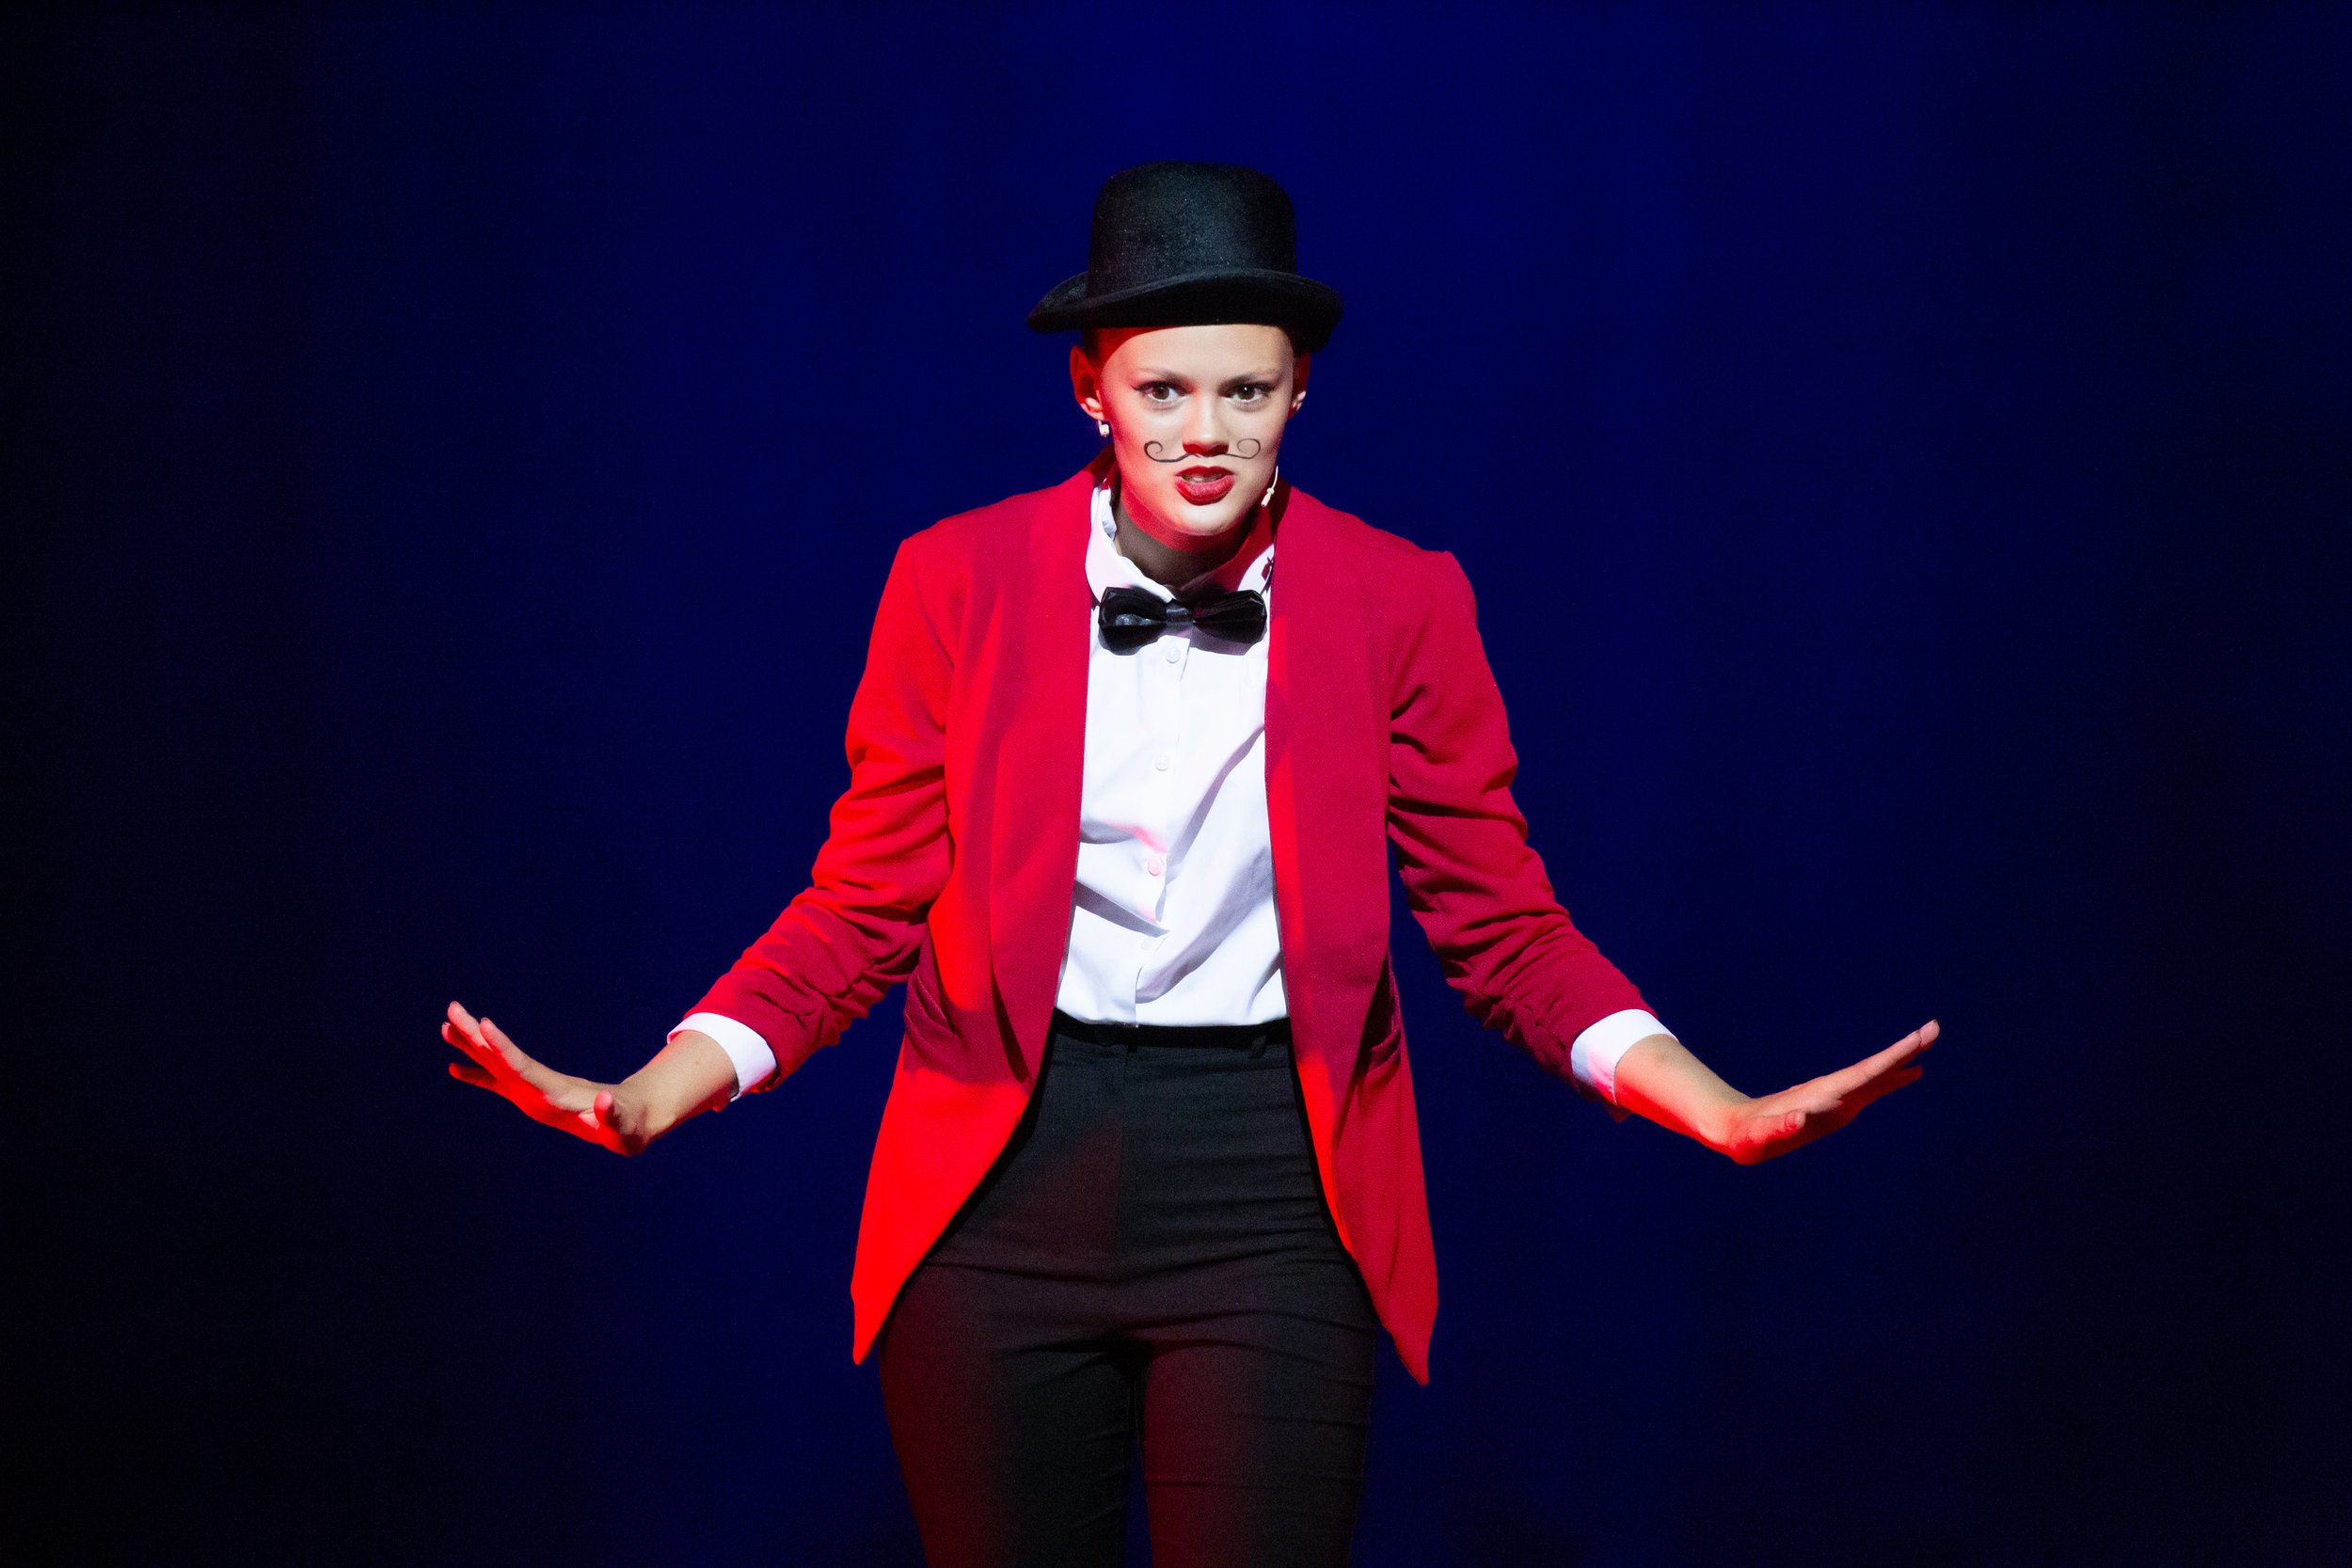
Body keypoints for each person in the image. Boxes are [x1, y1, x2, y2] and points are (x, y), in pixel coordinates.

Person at [440, 160, 1940, 1568]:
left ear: (1302, 393)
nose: (1203, 431)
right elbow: (861, 907)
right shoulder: (954, 579)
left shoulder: (1400, 599)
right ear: (1090, 389)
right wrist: (656, 1089)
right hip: (996, 1188)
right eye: (1163, 389)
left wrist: (1713, 1108)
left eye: (1246, 390)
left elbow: (1504, 931)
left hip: (1275, 1193)